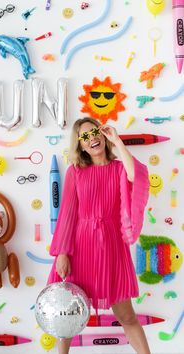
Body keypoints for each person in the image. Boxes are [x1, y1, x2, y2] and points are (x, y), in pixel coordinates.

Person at [48, 117, 150, 354]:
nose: (91, 138)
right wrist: (62, 253)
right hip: (80, 246)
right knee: (66, 314)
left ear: (102, 135)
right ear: (80, 145)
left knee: (126, 315)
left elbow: (136, 176)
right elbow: (67, 215)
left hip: (112, 247)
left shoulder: (118, 169)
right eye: (84, 137)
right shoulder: (76, 172)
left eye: (94, 133)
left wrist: (117, 141)